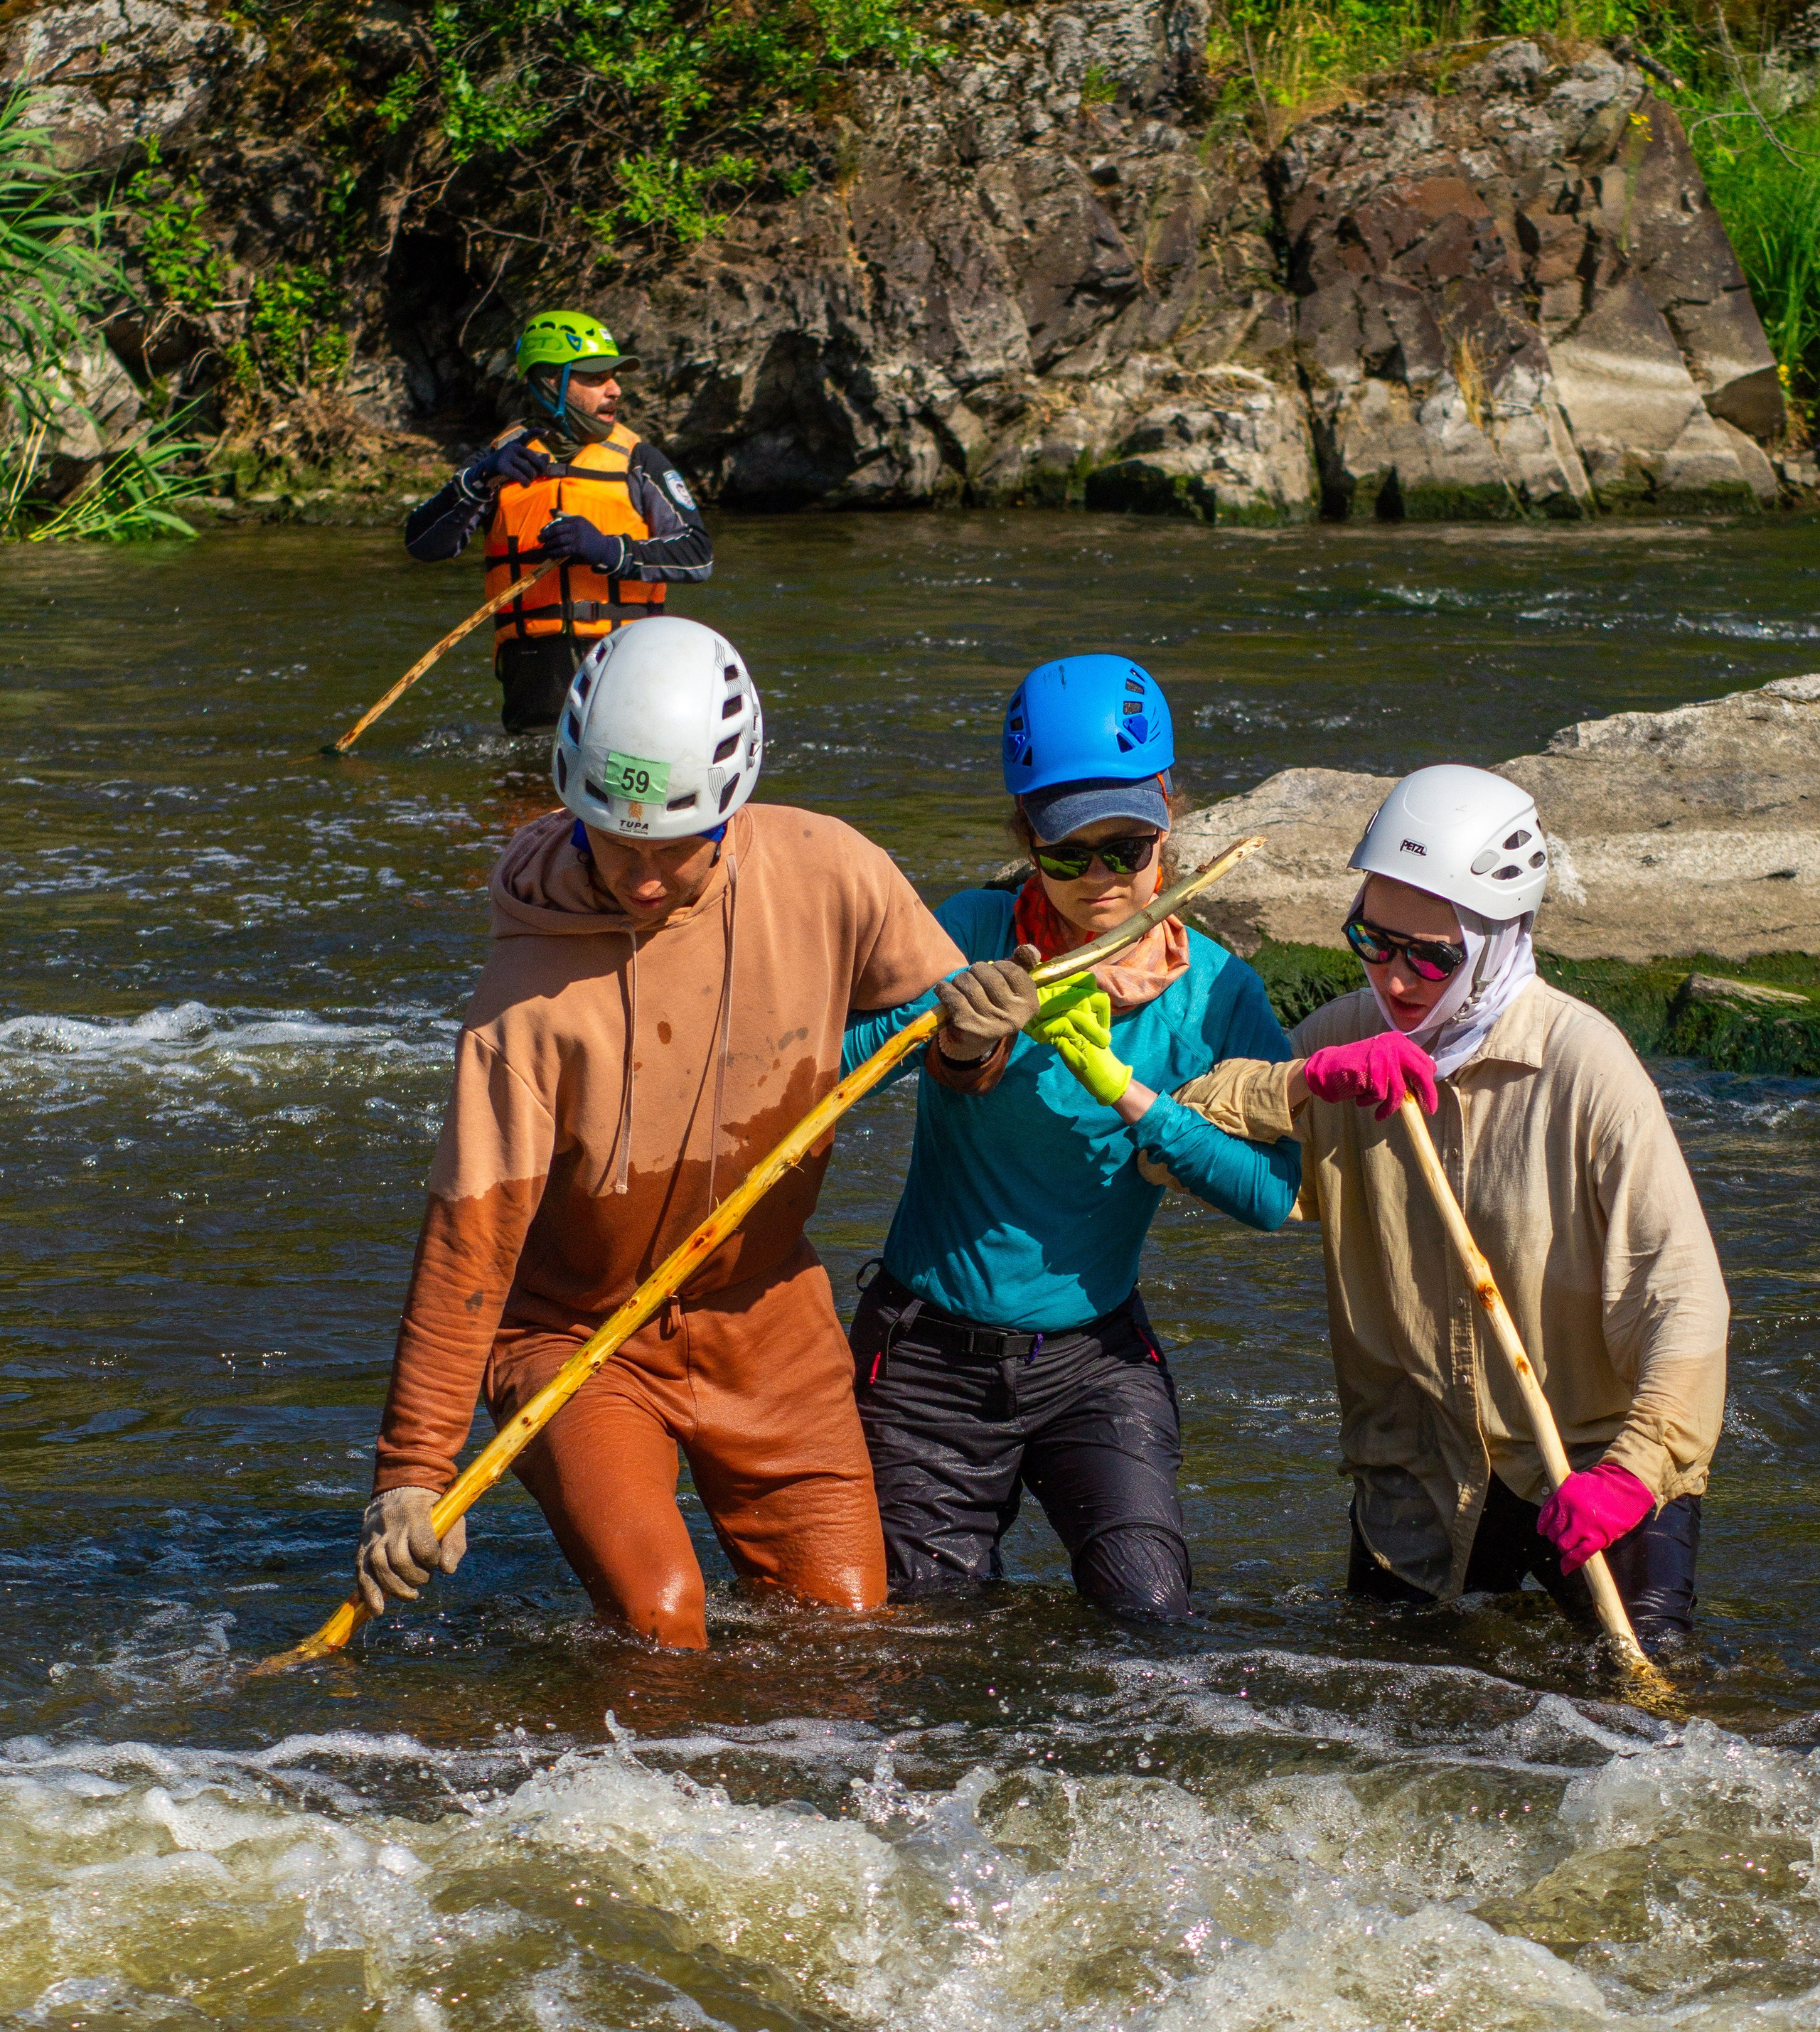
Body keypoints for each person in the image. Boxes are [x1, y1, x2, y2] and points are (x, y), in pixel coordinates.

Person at [351, 616, 1044, 1650]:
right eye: (615, 843)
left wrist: (979, 1040)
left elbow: (952, 1051)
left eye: (673, 852)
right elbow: (471, 1242)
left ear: (734, 803)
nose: (639, 881)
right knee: (661, 1619)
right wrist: (412, 1473)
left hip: (765, 1315)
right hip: (576, 1340)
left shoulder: (831, 871)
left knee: (852, 1630)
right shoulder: (519, 1002)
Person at [1167, 764, 1729, 1656]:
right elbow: (1168, 1139)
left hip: (1584, 1465)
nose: (1395, 977)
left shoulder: (1585, 1065)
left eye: (1432, 955)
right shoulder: (1344, 1040)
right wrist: (1299, 1081)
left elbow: (1685, 1299)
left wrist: (1633, 1471)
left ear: (1500, 940)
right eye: (1373, 939)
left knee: (1644, 1706)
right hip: (1418, 1486)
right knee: (1396, 1723)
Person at [844, 656, 1302, 1623]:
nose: (1099, 879)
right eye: (1067, 854)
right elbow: (830, 1065)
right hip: (926, 1364)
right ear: (1026, 838)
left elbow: (1271, 1196)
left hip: (1096, 1360)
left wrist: (1130, 1094)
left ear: (1168, 814)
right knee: (930, 1635)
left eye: (1125, 848)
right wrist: (953, 1029)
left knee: (1149, 1612)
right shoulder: (968, 930)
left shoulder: (1218, 992)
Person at [403, 310, 712, 734]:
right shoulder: (499, 460)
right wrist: (476, 481)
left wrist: (609, 549)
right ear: (552, 382)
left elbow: (698, 556)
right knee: (527, 796)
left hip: (627, 668)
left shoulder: (640, 461)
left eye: (614, 376)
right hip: (535, 681)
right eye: (595, 377)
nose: (614, 389)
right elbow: (421, 543)